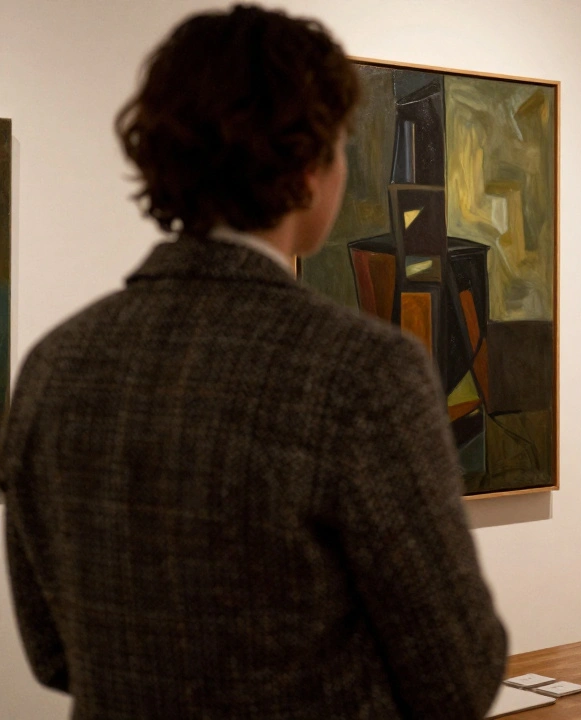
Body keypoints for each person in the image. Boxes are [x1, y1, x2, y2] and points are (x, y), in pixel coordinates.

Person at [1, 6, 506, 718]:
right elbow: (459, 675)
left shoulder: (55, 365)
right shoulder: (359, 371)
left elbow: (54, 655)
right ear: (308, 168)